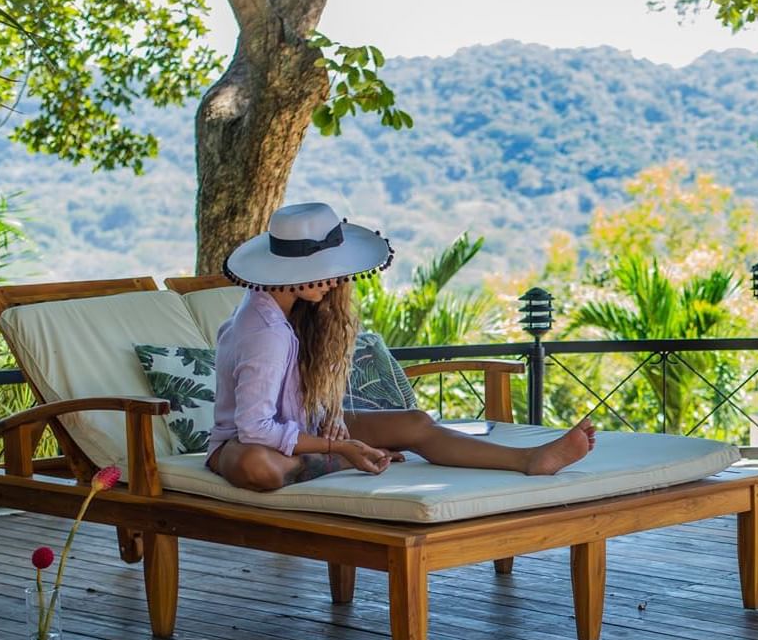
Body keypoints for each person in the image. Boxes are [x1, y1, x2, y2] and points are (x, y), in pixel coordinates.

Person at [206, 201, 594, 492]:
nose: (333, 279)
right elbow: (254, 429)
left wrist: (336, 431)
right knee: (259, 466)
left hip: (300, 432)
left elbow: (306, 402)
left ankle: (529, 459)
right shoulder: (264, 332)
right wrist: (340, 448)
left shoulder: (300, 312)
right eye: (321, 269)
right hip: (244, 445)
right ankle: (329, 463)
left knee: (415, 422)